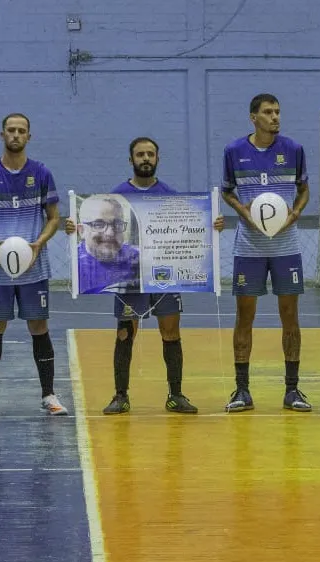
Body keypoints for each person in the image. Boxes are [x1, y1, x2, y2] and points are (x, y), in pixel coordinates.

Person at [65, 137, 220, 415]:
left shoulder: (171, 196)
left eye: (150, 154)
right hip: (130, 274)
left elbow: (189, 227)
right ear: (131, 160)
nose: (145, 158)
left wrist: (211, 223)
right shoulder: (116, 197)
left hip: (164, 274)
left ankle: (176, 395)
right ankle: (120, 396)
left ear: (158, 158)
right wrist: (72, 227)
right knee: (125, 331)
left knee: (171, 331)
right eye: (140, 154)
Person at [0, 113, 66, 416]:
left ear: (28, 137)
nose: (15, 135)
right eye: (10, 130)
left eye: (21, 131)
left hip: (33, 267)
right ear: (2, 135)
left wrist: (39, 243)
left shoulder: (41, 173)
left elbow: (54, 218)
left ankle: (49, 395)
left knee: (39, 326)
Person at [222, 93, 310, 412]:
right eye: (268, 112)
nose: (275, 117)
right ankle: (242, 390)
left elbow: (304, 189)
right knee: (245, 316)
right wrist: (242, 211)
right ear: (253, 117)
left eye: (277, 112)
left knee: (290, 316)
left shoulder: (294, 149)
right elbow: (227, 191)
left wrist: (295, 213)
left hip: (286, 246)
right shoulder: (234, 151)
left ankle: (292, 390)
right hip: (249, 247)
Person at [75, 195, 139, 294]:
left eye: (117, 224)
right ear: (82, 231)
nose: (110, 233)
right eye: (99, 224)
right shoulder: (74, 264)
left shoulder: (137, 259)